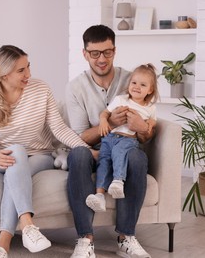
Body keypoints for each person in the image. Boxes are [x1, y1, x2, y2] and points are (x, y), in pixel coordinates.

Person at [0, 45, 95, 258]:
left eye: (28, 67)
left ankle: (4, 242)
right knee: (16, 152)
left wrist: (86, 149)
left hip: (40, 155)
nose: (28, 74)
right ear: (4, 74)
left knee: (17, 166)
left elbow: (59, 128)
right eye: (21, 70)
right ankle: (27, 225)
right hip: (1, 159)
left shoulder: (40, 89)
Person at [66, 25, 155, 258]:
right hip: (93, 152)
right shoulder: (76, 87)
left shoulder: (132, 79)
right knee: (77, 154)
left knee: (137, 156)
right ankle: (85, 239)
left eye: (107, 52)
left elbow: (147, 133)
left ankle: (127, 237)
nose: (102, 59)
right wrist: (111, 123)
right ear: (85, 53)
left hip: (125, 150)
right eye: (95, 53)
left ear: (114, 50)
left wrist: (143, 128)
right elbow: (80, 137)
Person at [85, 63, 159, 213]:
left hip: (127, 139)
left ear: (150, 90)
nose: (137, 87)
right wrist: (104, 121)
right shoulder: (121, 99)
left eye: (143, 85)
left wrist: (149, 124)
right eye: (134, 82)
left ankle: (118, 180)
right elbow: (104, 113)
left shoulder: (150, 107)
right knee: (103, 162)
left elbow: (153, 122)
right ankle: (99, 196)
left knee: (119, 152)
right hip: (109, 138)